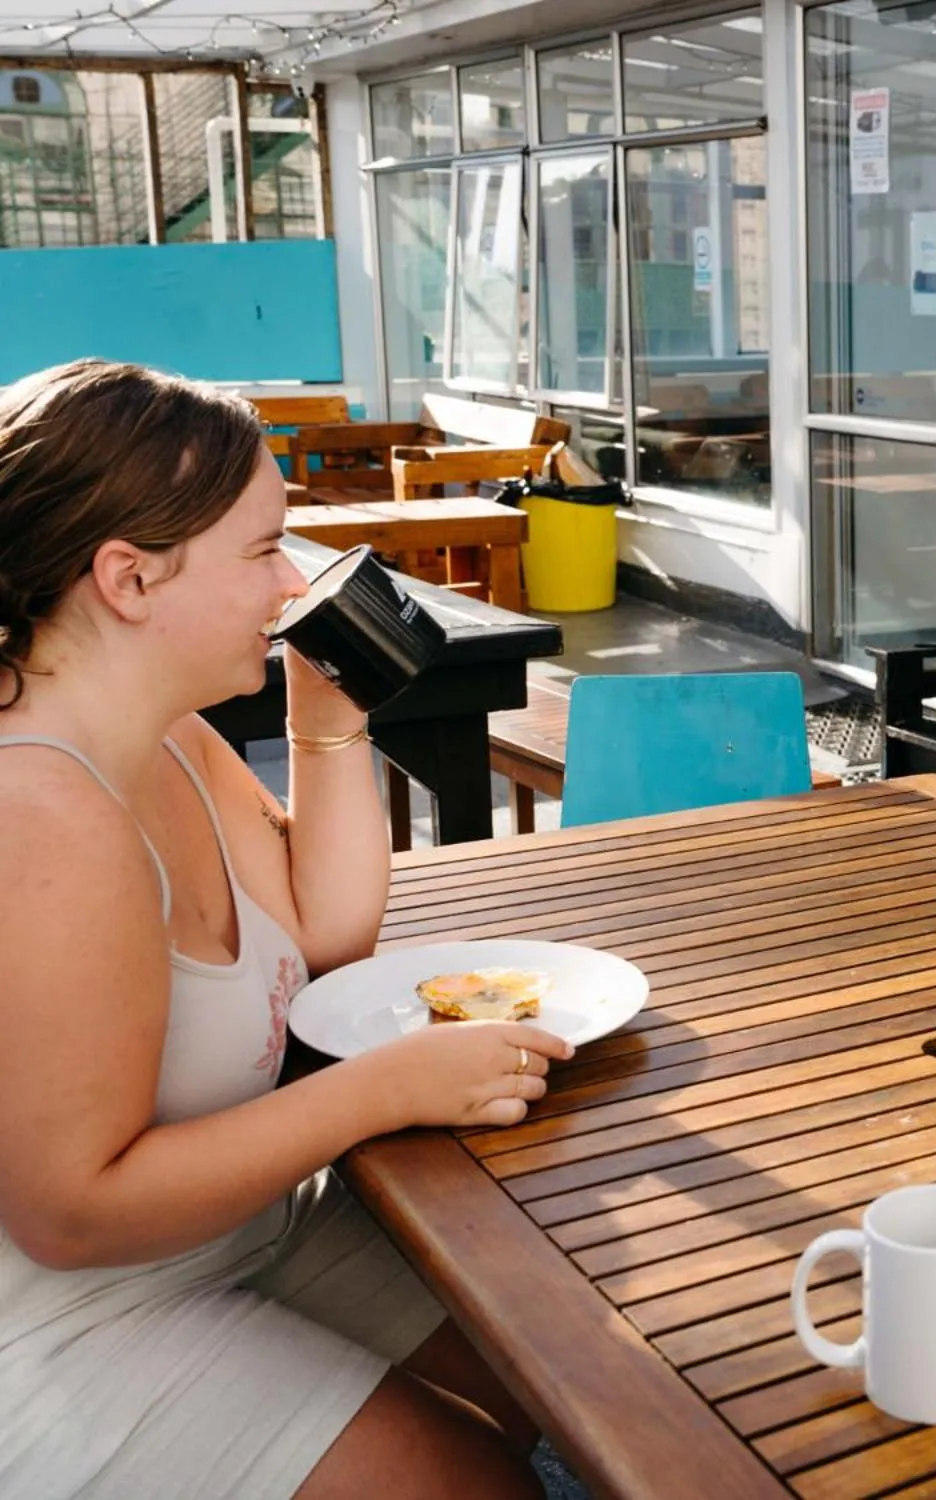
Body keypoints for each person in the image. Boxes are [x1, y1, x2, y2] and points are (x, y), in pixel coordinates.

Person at [0, 361, 572, 1498]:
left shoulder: (167, 735)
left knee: (546, 1371)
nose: (290, 586)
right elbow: (69, 1213)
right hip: (70, 1314)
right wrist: (385, 1089)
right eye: (264, 550)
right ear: (127, 578)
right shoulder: (41, 818)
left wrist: (327, 728)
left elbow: (325, 938)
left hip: (243, 1232)